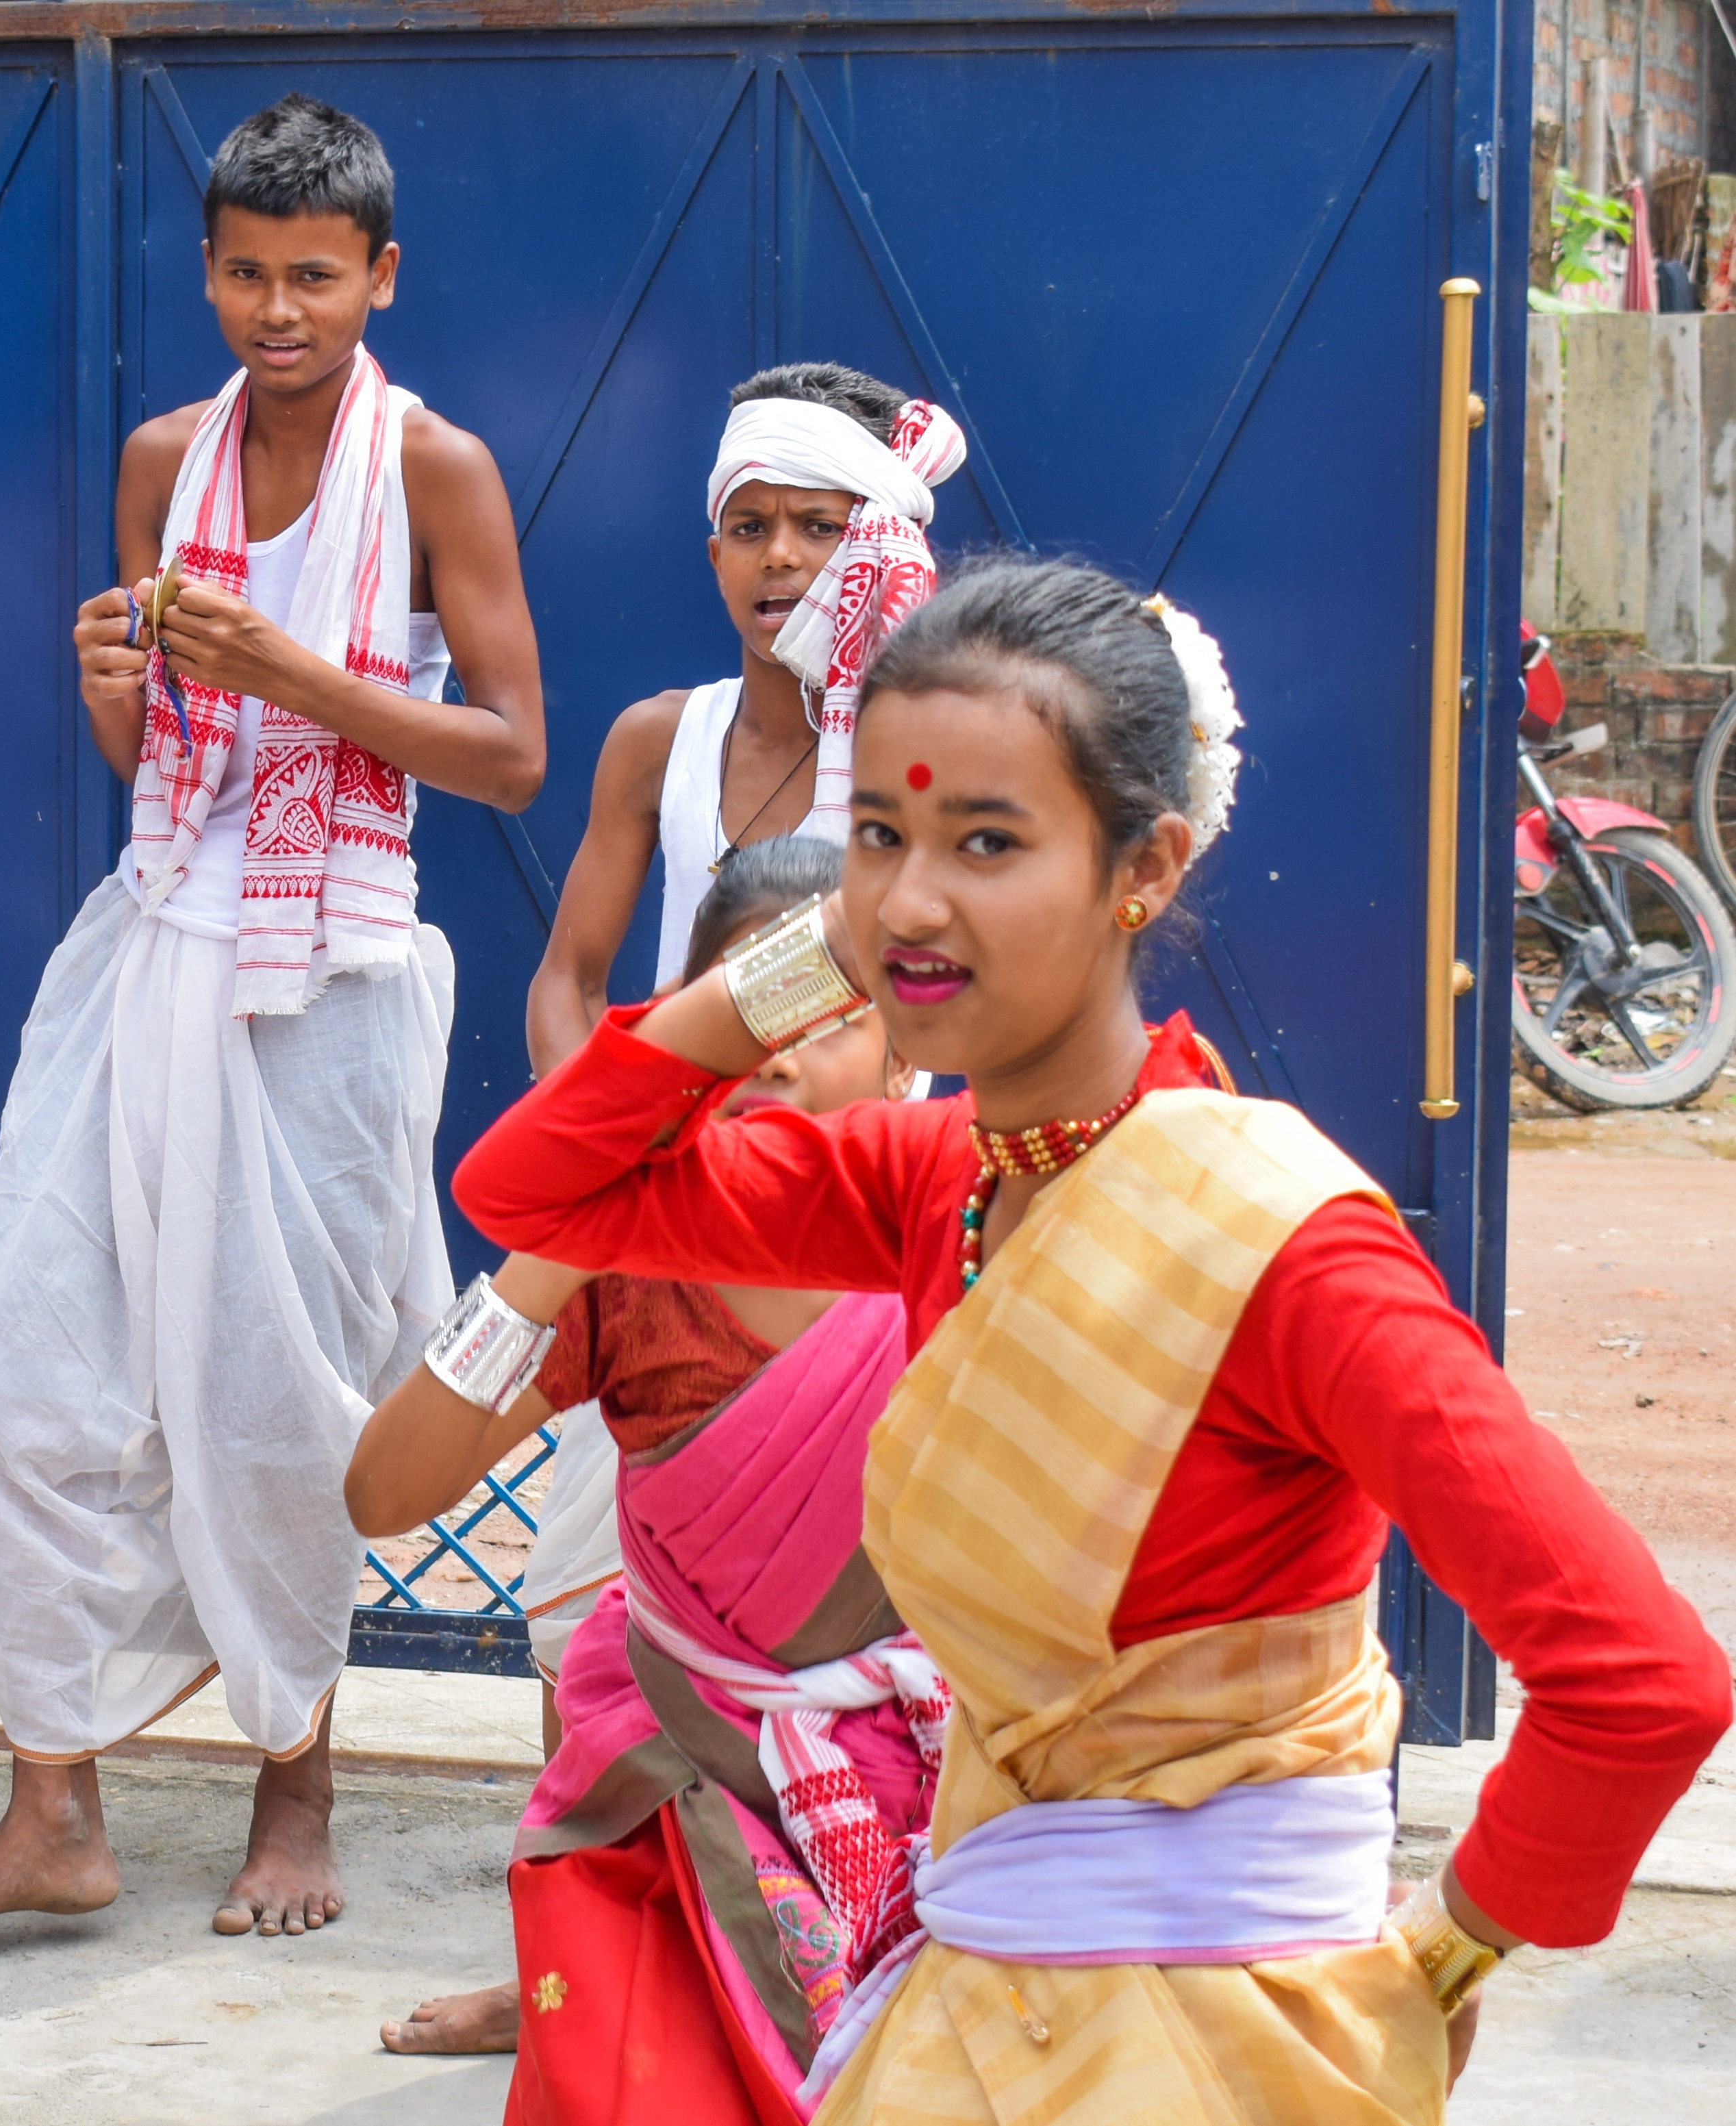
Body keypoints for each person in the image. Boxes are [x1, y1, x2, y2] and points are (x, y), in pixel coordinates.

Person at [453, 557, 1732, 2117]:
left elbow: (1639, 1679)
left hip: (1216, 2038)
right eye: (878, 833)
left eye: (985, 841)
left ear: (1144, 866)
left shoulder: (1285, 1251)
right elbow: (535, 1181)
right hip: (975, 1988)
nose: (913, 896)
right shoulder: (935, 1184)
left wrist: (1444, 1953)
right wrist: (809, 952)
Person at [0, 91, 544, 1951]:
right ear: (209, 269)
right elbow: (156, 761)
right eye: (244, 272)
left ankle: (294, 1792)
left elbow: (508, 753)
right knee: (27, 1368)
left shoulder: (438, 472)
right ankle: (51, 1808)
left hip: (336, 976)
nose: (276, 309)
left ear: (379, 275)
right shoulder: (169, 457)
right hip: (158, 936)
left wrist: (303, 674)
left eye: (313, 276)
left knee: (285, 1388)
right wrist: (118, 685)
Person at [351, 838, 935, 2114]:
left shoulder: (963, 1242)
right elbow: (381, 1495)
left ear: (906, 1057)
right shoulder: (627, 1273)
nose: (775, 1055)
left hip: (932, 1778)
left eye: (826, 1019)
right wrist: (556, 1248)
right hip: (677, 1766)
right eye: (747, 1015)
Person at [504, 364, 966, 1692]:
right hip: (671, 1215)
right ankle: (589, 1876)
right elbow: (569, 977)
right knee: (587, 1618)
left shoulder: (927, 758)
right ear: (712, 548)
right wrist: (601, 1154)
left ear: (880, 544)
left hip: (867, 1239)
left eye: (822, 527)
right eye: (751, 525)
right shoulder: (663, 737)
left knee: (865, 1626)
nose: (782, 559)